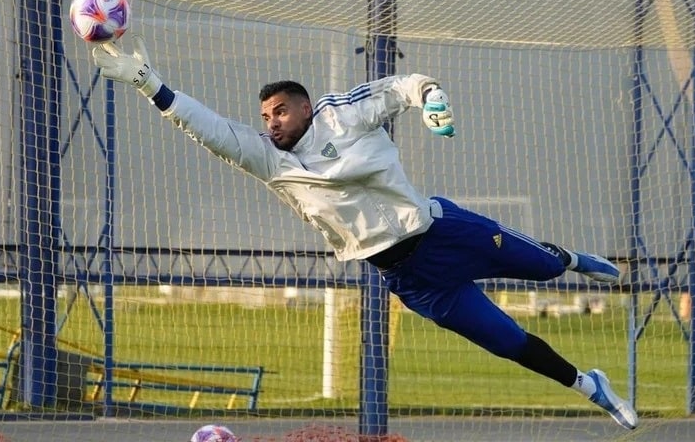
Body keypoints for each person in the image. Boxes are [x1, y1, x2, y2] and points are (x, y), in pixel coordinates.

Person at [92, 36, 638, 431]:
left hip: (442, 231)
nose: (272, 121)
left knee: (544, 267)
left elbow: (407, 86)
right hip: (411, 279)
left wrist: (432, 101)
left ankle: (568, 257)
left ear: (305, 108)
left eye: (281, 110)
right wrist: (146, 82)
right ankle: (591, 386)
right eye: (265, 115)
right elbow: (207, 128)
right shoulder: (268, 159)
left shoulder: (341, 114)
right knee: (508, 343)